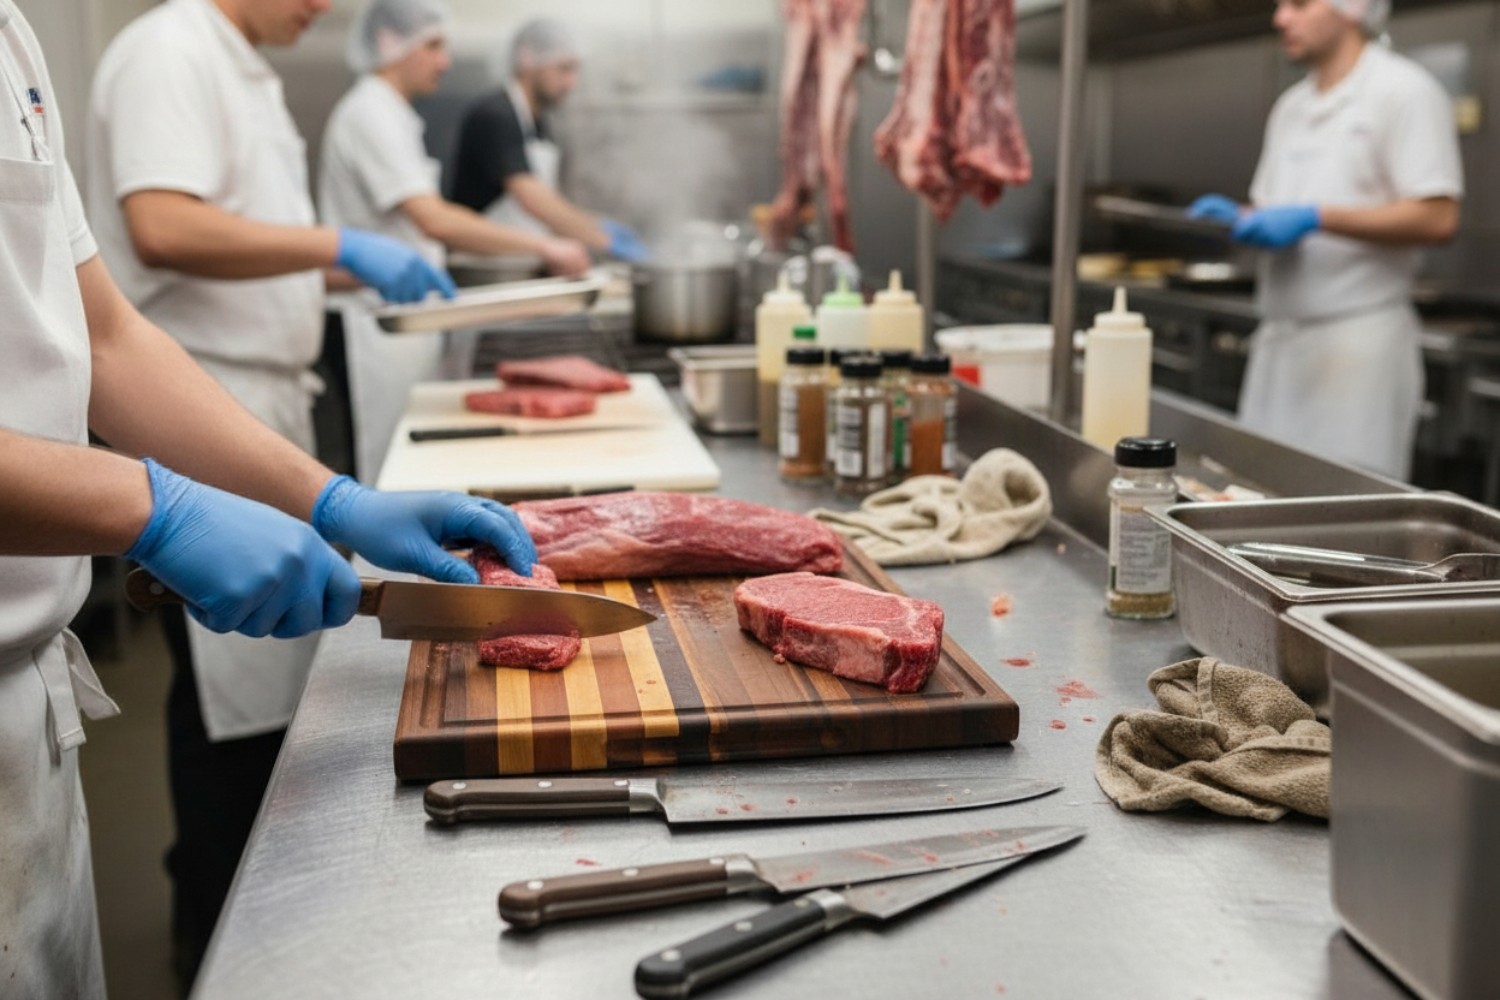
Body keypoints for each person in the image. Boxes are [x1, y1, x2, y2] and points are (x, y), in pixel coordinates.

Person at [0, 2, 536, 996]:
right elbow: (163, 229)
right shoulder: (167, 51)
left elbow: (104, 335)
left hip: (30, 707)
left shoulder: (12, 37)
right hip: (138, 479)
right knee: (223, 756)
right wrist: (152, 507)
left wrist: (331, 499)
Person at [81, 0, 459, 985]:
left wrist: (331, 280)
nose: (326, 6)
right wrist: (341, 245)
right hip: (194, 415)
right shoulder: (169, 49)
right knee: (227, 723)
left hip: (245, 415)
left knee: (265, 707)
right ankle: (215, 946)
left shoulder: (244, 68)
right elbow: (161, 228)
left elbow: (236, 257)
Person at [319, 0, 593, 480]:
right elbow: (435, 220)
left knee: (410, 464)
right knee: (389, 471)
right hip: (372, 324)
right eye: (433, 46)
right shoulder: (369, 114)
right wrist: (543, 246)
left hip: (403, 315)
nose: (444, 61)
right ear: (389, 44)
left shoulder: (394, 115)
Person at [1188, 0, 1461, 480]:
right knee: (1257, 497)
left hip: (1358, 352)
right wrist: (1241, 218)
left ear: (1351, 8)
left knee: (1340, 523)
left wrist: (1317, 218)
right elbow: (1276, 211)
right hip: (1278, 344)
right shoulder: (1291, 107)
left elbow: (1438, 216)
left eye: (1298, 4)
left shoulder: (1405, 91)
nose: (1280, 18)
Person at [448, 17, 650, 263]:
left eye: (575, 70)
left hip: (520, 261)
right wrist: (603, 240)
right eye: (564, 69)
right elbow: (532, 198)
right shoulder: (495, 114)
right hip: (481, 265)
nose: (571, 83)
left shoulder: (539, 121)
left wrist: (597, 224)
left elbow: (549, 204)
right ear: (527, 59)